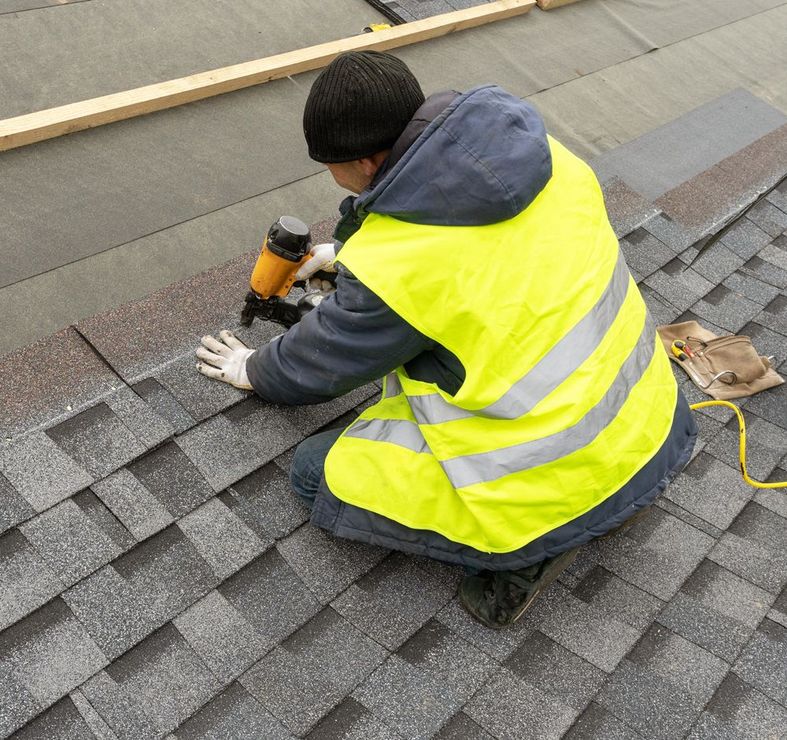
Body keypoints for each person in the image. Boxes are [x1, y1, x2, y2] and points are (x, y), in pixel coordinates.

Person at [196, 51, 697, 629]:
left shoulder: (403, 272)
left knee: (315, 474)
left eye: (330, 166)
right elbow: (486, 259)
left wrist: (251, 368)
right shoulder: (546, 160)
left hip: (558, 472)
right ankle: (572, 508)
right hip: (647, 420)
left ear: (362, 161)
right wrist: (350, 260)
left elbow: (317, 366)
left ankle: (526, 551)